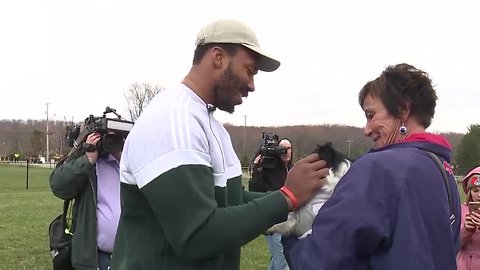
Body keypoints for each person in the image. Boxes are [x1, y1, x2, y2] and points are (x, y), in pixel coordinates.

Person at [110, 19, 329, 270]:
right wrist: (286, 197)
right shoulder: (173, 118)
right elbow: (196, 235)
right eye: (249, 70)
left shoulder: (208, 123)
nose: (252, 85)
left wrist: (298, 201)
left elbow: (230, 200)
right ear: (218, 57)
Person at [282, 63, 461, 270]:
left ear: (403, 109)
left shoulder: (379, 167)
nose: (367, 130)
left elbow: (321, 259)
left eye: (371, 115)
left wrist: (293, 235)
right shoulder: (443, 171)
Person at [50, 131, 125, 270]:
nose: (110, 142)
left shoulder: (124, 163)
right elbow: (59, 186)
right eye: (107, 137)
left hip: (127, 253)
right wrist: (87, 158)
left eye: (114, 137)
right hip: (95, 256)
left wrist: (121, 155)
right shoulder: (86, 164)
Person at [249, 138, 293, 270]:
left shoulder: (292, 169)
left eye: (289, 148)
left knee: (278, 260)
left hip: (287, 221)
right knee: (284, 261)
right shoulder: (269, 169)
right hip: (273, 223)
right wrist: (257, 169)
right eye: (283, 148)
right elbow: (255, 190)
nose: (286, 151)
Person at [457, 166, 480, 270]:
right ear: (469, 191)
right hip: (463, 265)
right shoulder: (461, 210)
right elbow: (455, 244)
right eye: (475, 190)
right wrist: (466, 229)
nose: (479, 195)